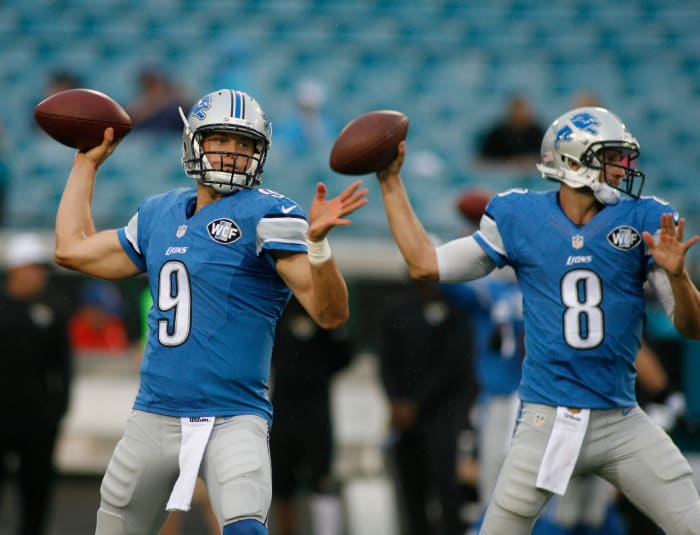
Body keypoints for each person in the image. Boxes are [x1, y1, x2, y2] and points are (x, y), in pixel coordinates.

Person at [53, 88, 369, 535]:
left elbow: (330, 314)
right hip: (154, 414)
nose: (234, 153)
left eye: (246, 144)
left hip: (233, 415)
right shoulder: (159, 213)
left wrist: (318, 247)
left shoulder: (270, 215)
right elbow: (72, 250)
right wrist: (86, 164)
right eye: (222, 138)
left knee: (244, 526)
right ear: (194, 140)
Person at [375, 106, 700, 534]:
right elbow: (425, 264)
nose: (624, 169)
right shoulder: (519, 216)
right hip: (546, 421)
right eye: (612, 157)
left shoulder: (644, 221)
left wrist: (678, 277)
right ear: (572, 162)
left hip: (622, 421)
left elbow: (691, 326)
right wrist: (390, 181)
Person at [378, 278, 475, 535]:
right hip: (404, 417)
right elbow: (386, 360)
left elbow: (454, 365)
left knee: (446, 487)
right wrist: (395, 400)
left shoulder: (455, 311)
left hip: (442, 414)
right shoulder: (397, 309)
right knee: (411, 489)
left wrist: (416, 402)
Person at [0, 233, 72, 535]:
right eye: (32, 267)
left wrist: (57, 411)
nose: (39, 275)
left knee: (37, 493)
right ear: (15, 268)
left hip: (37, 422)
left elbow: (64, 366)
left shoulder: (53, 309)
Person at [269, 296, 354, 535]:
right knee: (281, 485)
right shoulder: (280, 308)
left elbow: (345, 356)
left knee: (322, 480)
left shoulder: (325, 311)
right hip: (284, 410)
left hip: (317, 412)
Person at [474, 93, 544, 170]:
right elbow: (481, 161)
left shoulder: (537, 134)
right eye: (516, 112)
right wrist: (512, 162)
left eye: (522, 112)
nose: (519, 115)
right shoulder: (497, 135)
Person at [68, 280, 130, 354]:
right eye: (104, 311)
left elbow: (120, 352)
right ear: (88, 308)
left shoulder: (113, 324)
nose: (108, 317)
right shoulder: (77, 326)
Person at [126, 66, 193, 133]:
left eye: (153, 85)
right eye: (149, 87)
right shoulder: (139, 108)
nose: (153, 91)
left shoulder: (178, 99)